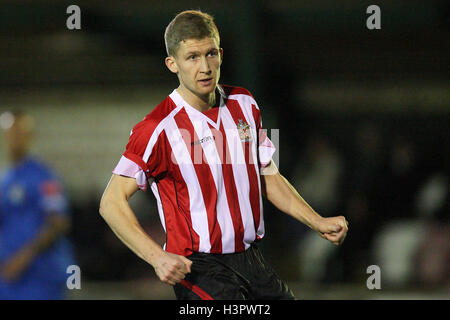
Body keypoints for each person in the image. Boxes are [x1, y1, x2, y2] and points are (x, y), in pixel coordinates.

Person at [99, 10, 348, 300]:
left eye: (210, 54)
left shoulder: (244, 103)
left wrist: (316, 221)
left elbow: (267, 175)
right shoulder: (158, 128)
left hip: (251, 259)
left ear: (220, 53)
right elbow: (111, 202)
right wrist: (157, 257)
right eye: (192, 57)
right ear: (172, 64)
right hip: (200, 269)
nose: (205, 66)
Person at [0, 110, 75, 300]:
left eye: (20, 132)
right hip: (8, 278)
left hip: (39, 278)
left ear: (29, 136)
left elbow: (59, 222)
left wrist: (23, 257)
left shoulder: (44, 177)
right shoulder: (5, 180)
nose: (14, 138)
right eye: (10, 132)